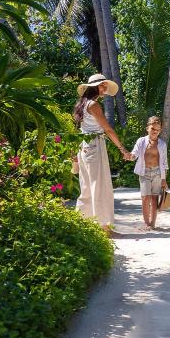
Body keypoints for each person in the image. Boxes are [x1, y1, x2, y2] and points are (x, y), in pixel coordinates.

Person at [73, 73, 131, 237]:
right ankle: (103, 227)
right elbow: (108, 129)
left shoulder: (81, 104)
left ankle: (82, 224)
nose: (105, 87)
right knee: (100, 186)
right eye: (102, 85)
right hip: (94, 144)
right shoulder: (93, 105)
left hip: (84, 146)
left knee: (87, 187)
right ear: (95, 87)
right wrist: (122, 149)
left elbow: (78, 129)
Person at [130, 116, 169, 230]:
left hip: (157, 173)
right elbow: (135, 153)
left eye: (157, 129)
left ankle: (152, 224)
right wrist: (130, 156)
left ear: (160, 131)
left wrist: (164, 179)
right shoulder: (141, 141)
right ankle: (147, 224)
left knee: (154, 198)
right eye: (153, 128)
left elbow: (164, 163)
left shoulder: (162, 144)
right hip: (144, 173)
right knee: (145, 198)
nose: (155, 131)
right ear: (147, 128)